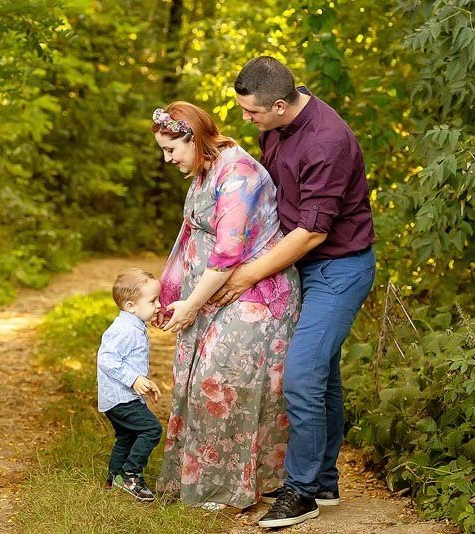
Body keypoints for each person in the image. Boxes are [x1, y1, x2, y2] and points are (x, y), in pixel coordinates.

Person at [213, 56, 376, 528]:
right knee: (323, 376)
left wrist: (246, 275)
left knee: (301, 375)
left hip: (337, 269)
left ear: (280, 104)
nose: (247, 120)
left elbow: (311, 232)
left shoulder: (328, 142)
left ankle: (300, 491)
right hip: (297, 265)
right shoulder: (276, 126)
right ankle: (323, 482)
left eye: (252, 113)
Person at [151, 102, 302, 511]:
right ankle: (211, 481)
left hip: (252, 295)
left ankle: (230, 486)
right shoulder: (205, 171)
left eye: (171, 149)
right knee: (201, 379)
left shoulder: (238, 173)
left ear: (194, 139)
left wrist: (190, 304)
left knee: (222, 383)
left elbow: (227, 253)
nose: (168, 159)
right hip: (213, 294)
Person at [96, 268, 164, 502]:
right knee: (151, 430)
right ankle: (131, 475)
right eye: (153, 300)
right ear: (131, 306)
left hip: (118, 397)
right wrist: (133, 379)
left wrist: (143, 382)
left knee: (126, 437)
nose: (158, 306)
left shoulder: (133, 324)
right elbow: (106, 358)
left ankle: (113, 479)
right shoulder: (125, 329)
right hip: (121, 397)